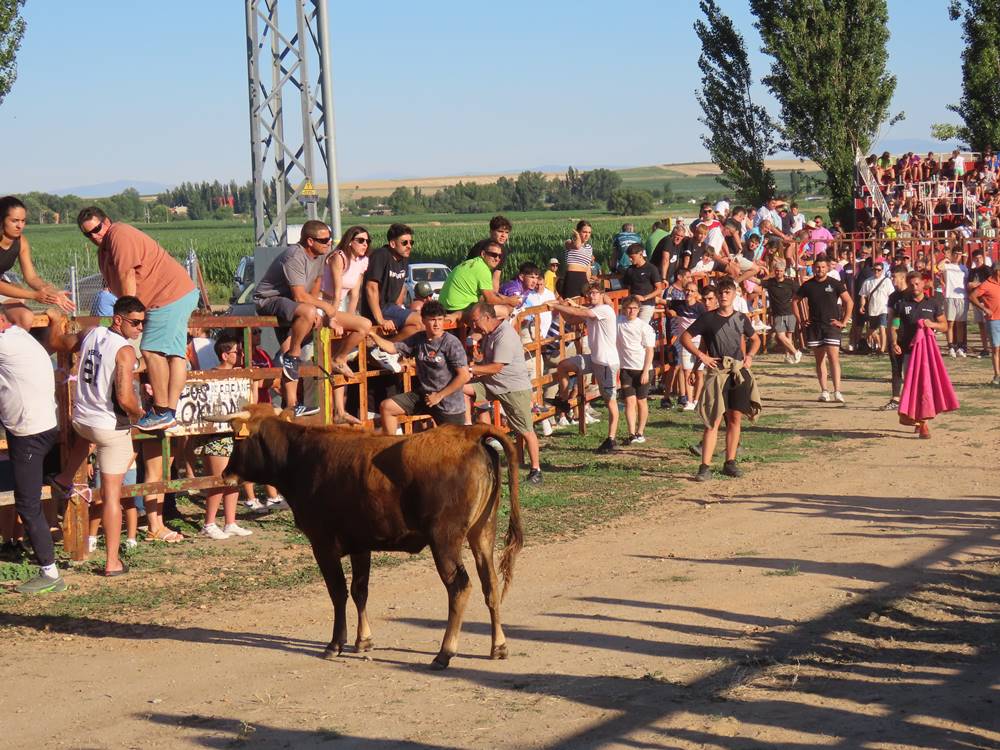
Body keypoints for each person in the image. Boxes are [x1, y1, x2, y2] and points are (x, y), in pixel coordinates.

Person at [46, 297, 147, 569]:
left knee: (86, 437)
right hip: (110, 426)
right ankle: (112, 561)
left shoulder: (92, 333)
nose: (140, 328)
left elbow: (58, 343)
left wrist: (56, 322)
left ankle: (64, 477)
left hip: (82, 419)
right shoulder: (124, 351)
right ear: (118, 319)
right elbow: (125, 398)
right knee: (112, 496)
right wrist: (140, 414)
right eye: (136, 322)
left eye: (142, 323)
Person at [77, 206, 199, 431]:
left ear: (107, 221)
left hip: (168, 296)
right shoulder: (104, 251)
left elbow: (126, 276)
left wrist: (127, 316)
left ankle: (163, 410)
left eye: (97, 228)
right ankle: (168, 411)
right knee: (174, 354)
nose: (95, 235)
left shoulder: (119, 234)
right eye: (88, 233)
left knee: (151, 350)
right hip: (175, 293)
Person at [254, 220, 361, 412]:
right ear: (310, 241)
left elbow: (317, 283)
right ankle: (294, 355)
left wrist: (314, 306)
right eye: (324, 240)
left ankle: (292, 405)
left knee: (291, 349)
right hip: (270, 299)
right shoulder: (294, 256)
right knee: (304, 323)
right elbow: (299, 296)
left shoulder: (320, 255)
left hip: (292, 304)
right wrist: (324, 309)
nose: (329, 243)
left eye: (329, 239)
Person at [0, 308, 64, 593]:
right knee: (46, 488)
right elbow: (22, 314)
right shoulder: (19, 337)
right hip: (40, 424)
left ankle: (49, 572)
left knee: (27, 503)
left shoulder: (7, 344)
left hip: (29, 431)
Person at [681, 277, 761, 482]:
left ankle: (730, 462)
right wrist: (701, 358)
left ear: (734, 295)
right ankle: (704, 466)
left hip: (737, 372)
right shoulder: (708, 318)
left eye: (728, 292)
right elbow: (685, 337)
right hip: (717, 373)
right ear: (717, 295)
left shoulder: (742, 318)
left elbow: (755, 339)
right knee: (712, 419)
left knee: (735, 418)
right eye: (721, 292)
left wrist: (749, 356)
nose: (724, 296)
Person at [464, 302, 543, 484]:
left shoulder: (504, 335)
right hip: (492, 385)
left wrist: (471, 368)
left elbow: (497, 367)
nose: (473, 326)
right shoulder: (490, 333)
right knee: (462, 389)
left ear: (487, 317)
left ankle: (536, 470)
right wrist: (476, 357)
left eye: (475, 321)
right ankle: (473, 426)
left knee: (525, 430)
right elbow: (489, 362)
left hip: (513, 389)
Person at [369, 300, 470, 434]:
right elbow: (393, 348)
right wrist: (372, 335)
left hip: (448, 403)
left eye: (440, 320)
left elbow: (464, 376)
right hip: (424, 396)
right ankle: (390, 448)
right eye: (432, 320)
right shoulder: (418, 338)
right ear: (423, 320)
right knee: (387, 407)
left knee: (454, 447)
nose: (437, 324)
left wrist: (439, 396)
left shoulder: (451, 343)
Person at [548, 283, 621, 454]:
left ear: (602, 294)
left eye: (595, 293)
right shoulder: (592, 310)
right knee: (564, 365)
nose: (591, 296)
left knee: (610, 401)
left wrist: (556, 305)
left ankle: (611, 438)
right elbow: (573, 319)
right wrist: (563, 308)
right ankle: (564, 400)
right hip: (593, 359)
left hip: (606, 362)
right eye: (589, 293)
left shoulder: (604, 309)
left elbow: (582, 312)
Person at [198, 337, 254, 540]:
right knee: (219, 479)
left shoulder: (241, 375)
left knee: (234, 478)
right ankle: (209, 523)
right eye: (236, 352)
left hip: (237, 433)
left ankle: (230, 522)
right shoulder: (211, 376)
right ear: (224, 355)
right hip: (218, 434)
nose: (240, 356)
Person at [0, 196, 75, 329]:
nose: (20, 225)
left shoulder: (21, 241)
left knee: (26, 317)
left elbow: (32, 278)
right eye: (14, 221)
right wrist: (34, 295)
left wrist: (52, 292)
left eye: (23, 221)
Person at [889, 271, 948, 438]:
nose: (915, 287)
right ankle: (916, 418)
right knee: (911, 385)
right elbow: (894, 326)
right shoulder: (901, 304)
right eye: (912, 284)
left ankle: (923, 424)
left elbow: (944, 326)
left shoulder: (934, 303)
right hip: (908, 351)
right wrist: (894, 342)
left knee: (925, 386)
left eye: (917, 284)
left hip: (927, 353)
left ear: (923, 284)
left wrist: (932, 324)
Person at [794, 255, 852, 403]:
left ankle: (837, 391)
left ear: (828, 268)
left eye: (823, 267)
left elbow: (849, 302)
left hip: (832, 325)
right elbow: (794, 301)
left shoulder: (835, 283)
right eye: (817, 267)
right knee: (819, 360)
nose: (820, 270)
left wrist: (844, 321)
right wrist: (800, 320)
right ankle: (824, 391)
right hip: (815, 326)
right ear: (813, 268)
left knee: (833, 357)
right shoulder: (808, 285)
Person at [361, 223, 422, 350]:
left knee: (420, 324)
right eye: (404, 243)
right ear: (393, 244)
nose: (409, 246)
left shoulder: (404, 259)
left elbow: (401, 288)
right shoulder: (381, 255)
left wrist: (400, 309)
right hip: (378, 310)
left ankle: (384, 346)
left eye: (411, 242)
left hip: (392, 308)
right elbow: (371, 288)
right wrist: (380, 320)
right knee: (420, 320)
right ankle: (384, 346)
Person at [439, 240, 520, 317]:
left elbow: (489, 294)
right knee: (505, 310)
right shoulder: (482, 269)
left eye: (500, 256)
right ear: (483, 254)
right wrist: (509, 301)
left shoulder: (473, 263)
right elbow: (490, 300)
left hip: (446, 307)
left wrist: (507, 298)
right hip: (458, 309)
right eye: (493, 255)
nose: (497, 259)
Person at [616, 296, 655, 443]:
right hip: (626, 368)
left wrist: (646, 371)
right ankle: (631, 432)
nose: (631, 311)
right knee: (629, 401)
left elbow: (649, 350)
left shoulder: (644, 327)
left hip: (642, 368)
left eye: (634, 308)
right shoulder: (618, 322)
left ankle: (640, 431)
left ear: (639, 310)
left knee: (641, 401)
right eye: (628, 308)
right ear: (623, 309)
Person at [666, 282, 708, 411]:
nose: (689, 293)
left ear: (696, 294)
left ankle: (697, 399)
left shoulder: (700, 308)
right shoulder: (678, 304)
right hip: (685, 342)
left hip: (698, 342)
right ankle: (689, 401)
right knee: (686, 371)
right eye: (687, 290)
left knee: (699, 372)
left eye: (692, 291)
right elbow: (666, 304)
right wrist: (670, 312)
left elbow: (705, 324)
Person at [879, 266, 912, 411]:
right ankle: (895, 399)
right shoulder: (893, 297)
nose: (892, 280)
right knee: (896, 368)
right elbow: (891, 318)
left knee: (911, 370)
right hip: (896, 338)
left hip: (911, 338)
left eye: (894, 277)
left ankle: (911, 399)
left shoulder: (912, 294)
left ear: (903, 277)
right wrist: (891, 340)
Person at [763, 259, 801, 363]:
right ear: (774, 271)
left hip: (789, 311)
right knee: (780, 335)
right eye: (776, 270)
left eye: (780, 271)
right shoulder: (770, 283)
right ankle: (795, 352)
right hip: (778, 313)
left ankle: (788, 355)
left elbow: (800, 291)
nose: (778, 273)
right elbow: (758, 281)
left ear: (784, 271)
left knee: (789, 336)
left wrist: (794, 300)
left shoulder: (790, 283)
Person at [968, 263, 1000, 385]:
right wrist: (984, 309)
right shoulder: (987, 284)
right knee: (996, 348)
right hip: (994, 320)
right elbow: (972, 296)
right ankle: (997, 375)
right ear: (997, 271)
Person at [619, 244, 665, 323]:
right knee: (626, 325)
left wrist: (644, 298)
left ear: (640, 254)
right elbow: (625, 287)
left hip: (646, 304)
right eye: (629, 257)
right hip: (632, 304)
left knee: (640, 327)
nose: (630, 259)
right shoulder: (629, 270)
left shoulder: (651, 268)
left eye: (632, 257)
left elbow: (659, 289)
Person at [465, 215, 512, 291]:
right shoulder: (481, 247)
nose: (503, 235)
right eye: (500, 231)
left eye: (506, 232)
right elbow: (473, 272)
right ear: (491, 232)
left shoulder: (502, 250)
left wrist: (495, 296)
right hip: (471, 287)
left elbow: (496, 278)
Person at [858, 260, 893, 354]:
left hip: (883, 308)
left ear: (882, 270)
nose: (876, 272)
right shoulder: (867, 281)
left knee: (882, 327)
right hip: (872, 309)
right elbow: (863, 295)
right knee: (871, 330)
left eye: (879, 270)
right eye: (874, 270)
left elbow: (891, 295)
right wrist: (862, 305)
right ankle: (879, 345)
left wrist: (891, 308)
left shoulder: (887, 281)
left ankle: (882, 349)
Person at [940, 246, 969, 357]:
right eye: (955, 253)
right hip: (950, 296)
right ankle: (951, 346)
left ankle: (960, 346)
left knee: (960, 323)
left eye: (960, 254)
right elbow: (938, 267)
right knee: (950, 323)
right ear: (952, 254)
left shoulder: (964, 268)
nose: (957, 256)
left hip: (962, 297)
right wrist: (946, 258)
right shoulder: (947, 266)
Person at [562, 220, 594, 298]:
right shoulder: (569, 242)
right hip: (572, 277)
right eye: (584, 232)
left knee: (585, 304)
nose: (587, 235)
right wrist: (577, 235)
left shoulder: (589, 248)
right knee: (572, 304)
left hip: (583, 278)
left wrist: (588, 282)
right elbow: (577, 246)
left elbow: (588, 267)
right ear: (578, 232)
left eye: (589, 232)